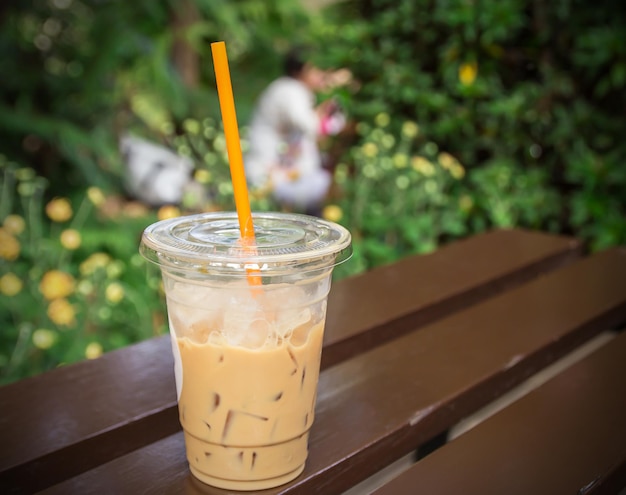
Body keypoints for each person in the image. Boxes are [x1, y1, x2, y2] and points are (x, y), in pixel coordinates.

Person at [244, 48, 351, 215]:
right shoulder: (289, 90)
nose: (321, 74)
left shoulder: (290, 89)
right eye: (316, 68)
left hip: (279, 170)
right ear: (302, 70)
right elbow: (310, 125)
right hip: (268, 171)